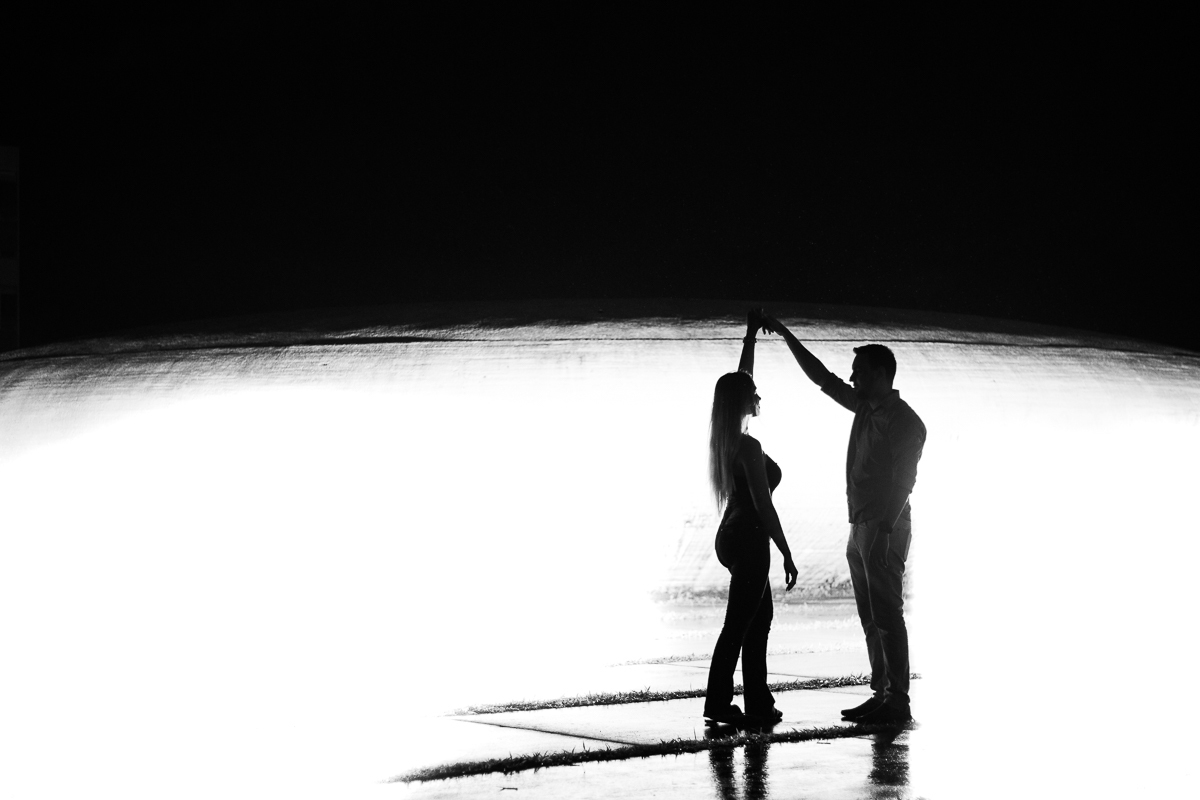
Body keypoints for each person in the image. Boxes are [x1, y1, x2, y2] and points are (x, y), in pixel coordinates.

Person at [762, 315, 926, 725]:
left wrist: (885, 531)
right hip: (861, 527)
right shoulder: (866, 407)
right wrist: (784, 334)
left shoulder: (905, 421)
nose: (852, 378)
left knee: (887, 613)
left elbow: (906, 481)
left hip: (884, 527)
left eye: (860, 372)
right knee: (871, 615)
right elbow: (824, 378)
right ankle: (883, 692)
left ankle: (898, 700)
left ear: (881, 374)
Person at [703, 309, 799, 728]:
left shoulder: (727, 438)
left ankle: (758, 701)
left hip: (730, 535)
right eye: (754, 394)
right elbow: (765, 505)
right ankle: (720, 703)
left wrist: (749, 337)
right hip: (751, 536)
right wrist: (787, 552)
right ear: (743, 402)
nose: (760, 397)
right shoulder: (749, 447)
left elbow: (740, 379)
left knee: (757, 620)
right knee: (741, 625)